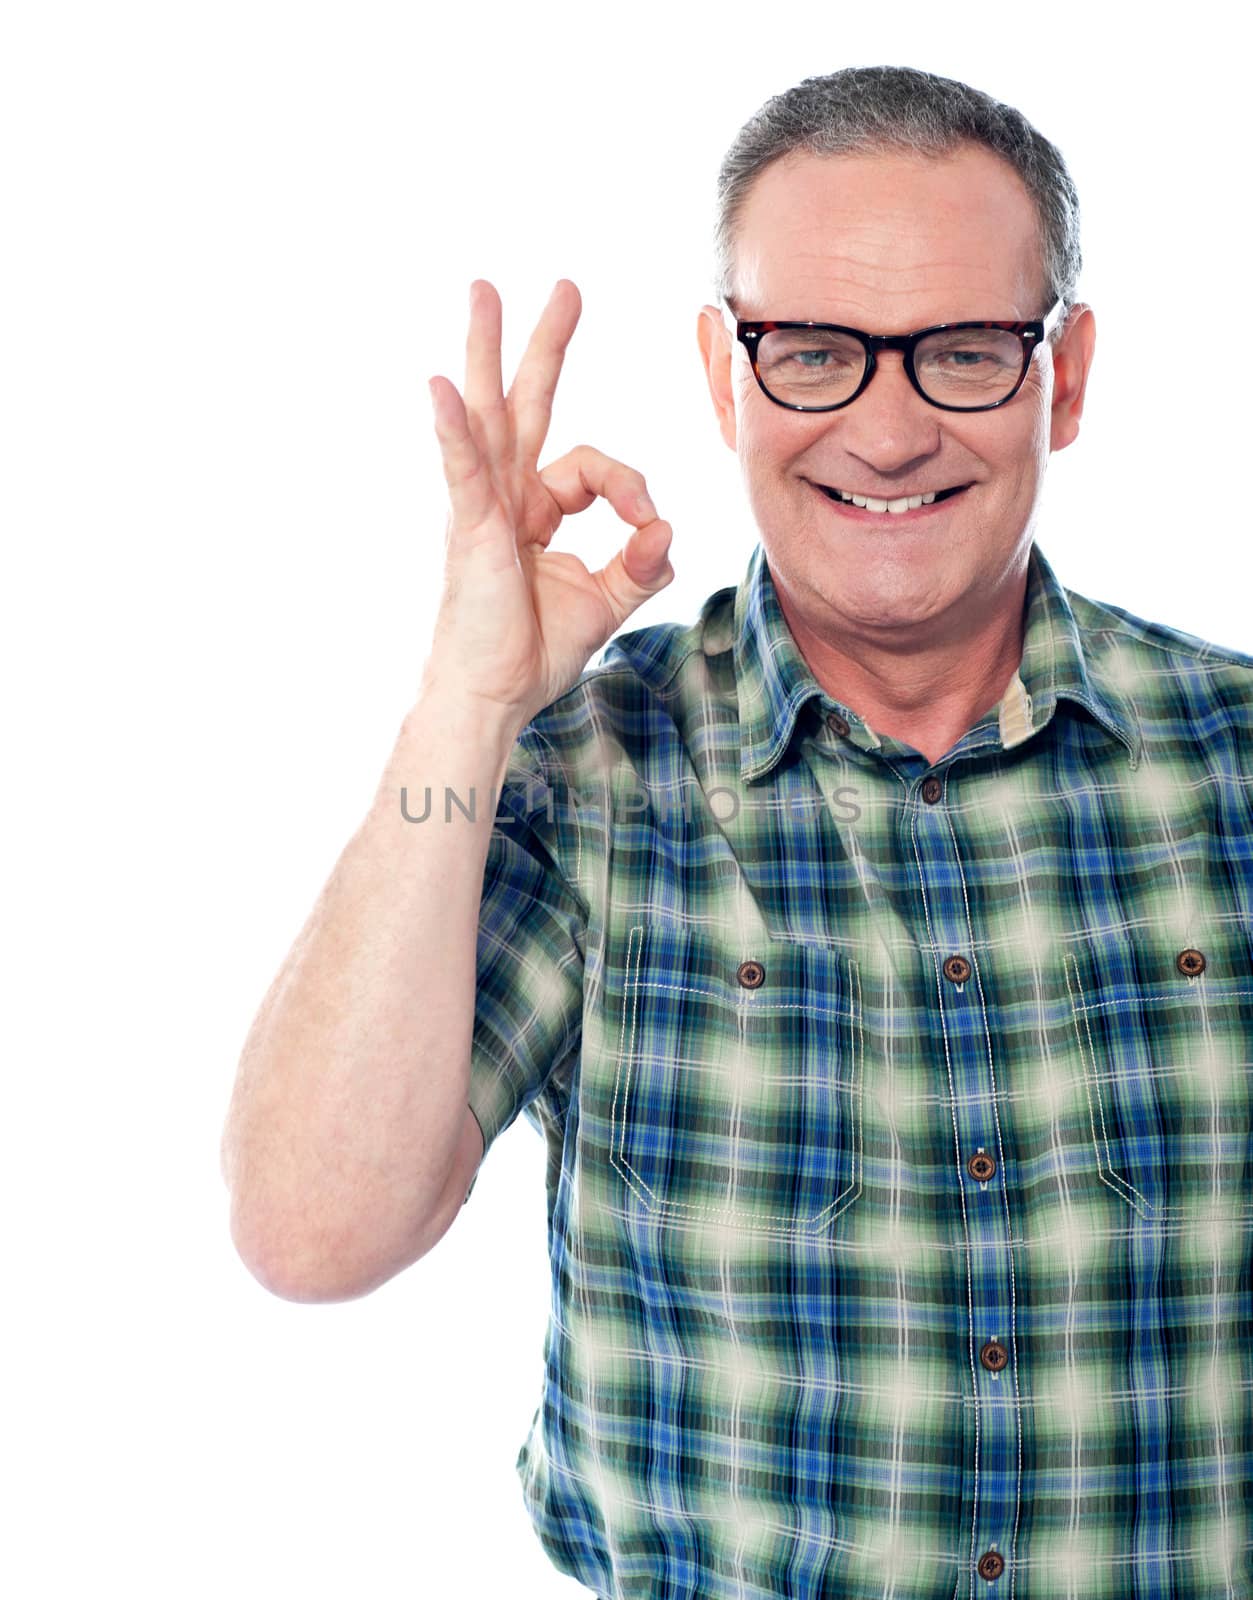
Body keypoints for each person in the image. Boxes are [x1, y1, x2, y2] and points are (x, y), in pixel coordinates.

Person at [220, 63, 1253, 1599]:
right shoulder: (583, 775)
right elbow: (312, 1231)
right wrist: (467, 699)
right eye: (814, 352)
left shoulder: (1232, 760)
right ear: (725, 376)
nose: (888, 431)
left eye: (964, 351)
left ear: (1066, 375)